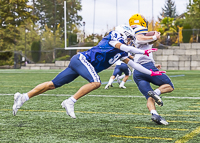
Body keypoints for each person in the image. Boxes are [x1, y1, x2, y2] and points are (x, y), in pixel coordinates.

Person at [13, 25, 165, 119]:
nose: (131, 41)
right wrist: (141, 52)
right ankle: (69, 102)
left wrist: (151, 73)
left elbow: (133, 64)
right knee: (96, 82)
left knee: (52, 85)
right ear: (124, 34)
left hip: (80, 63)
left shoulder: (122, 51)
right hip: (82, 60)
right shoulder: (113, 38)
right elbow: (126, 48)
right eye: (130, 38)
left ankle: (23, 97)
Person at [129, 14, 174, 125]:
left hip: (137, 71)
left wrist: (154, 63)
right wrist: (154, 37)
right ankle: (156, 93)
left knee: (149, 96)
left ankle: (155, 114)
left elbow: (140, 48)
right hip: (146, 67)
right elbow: (140, 39)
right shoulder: (139, 29)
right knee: (169, 86)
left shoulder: (128, 35)